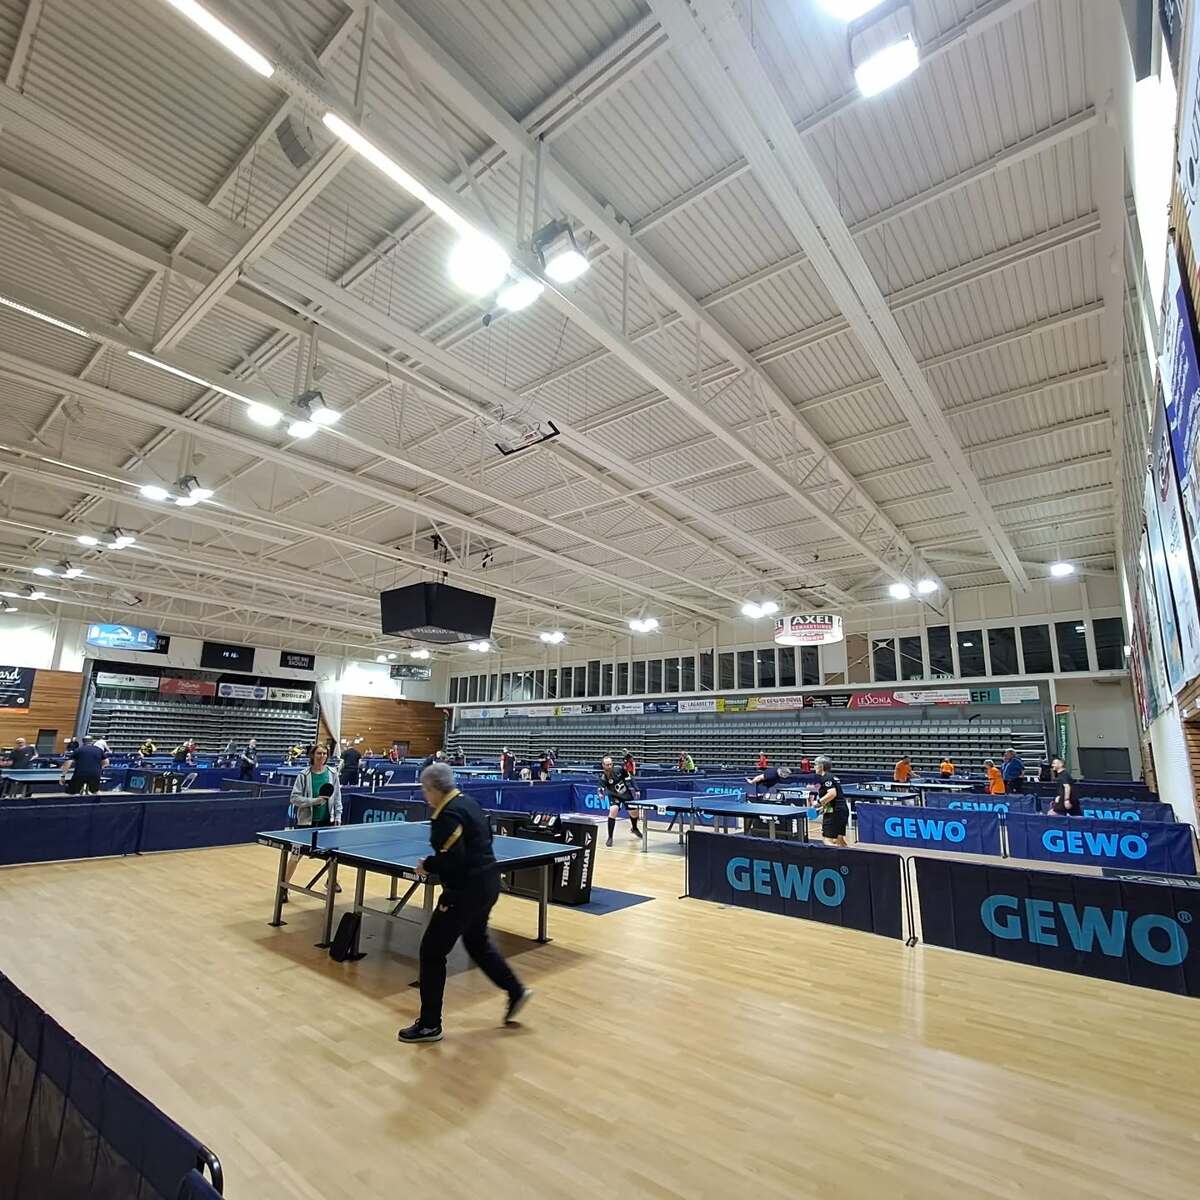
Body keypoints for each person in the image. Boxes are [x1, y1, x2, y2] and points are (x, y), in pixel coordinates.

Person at [397, 764, 530, 1043]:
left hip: (464, 891)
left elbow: (452, 860)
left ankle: (430, 1025)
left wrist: (427, 865)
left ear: (433, 789)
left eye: (425, 790)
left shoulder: (446, 815)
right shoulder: (469, 802)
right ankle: (515, 990)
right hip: (489, 883)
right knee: (476, 942)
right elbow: (487, 838)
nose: (424, 795)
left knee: (432, 952)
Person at [283, 744, 342, 889]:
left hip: (327, 821)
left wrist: (338, 816)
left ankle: (331, 881)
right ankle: (284, 885)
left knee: (331, 855)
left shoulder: (332, 773)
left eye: (324, 754)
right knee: (295, 856)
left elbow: (337, 797)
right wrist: (314, 801)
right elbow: (294, 798)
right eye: (319, 753)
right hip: (305, 823)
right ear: (312, 755)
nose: (322, 756)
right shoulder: (303, 775)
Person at [599, 755, 643, 847]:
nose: (609, 766)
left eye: (610, 764)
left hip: (626, 794)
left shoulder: (619, 769)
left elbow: (630, 777)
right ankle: (610, 837)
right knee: (613, 810)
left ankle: (634, 828)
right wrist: (601, 794)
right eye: (607, 765)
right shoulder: (604, 777)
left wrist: (636, 789)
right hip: (614, 796)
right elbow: (601, 788)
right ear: (603, 765)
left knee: (634, 813)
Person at [810, 756, 849, 847]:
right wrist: (823, 807)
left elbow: (832, 794)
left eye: (815, 765)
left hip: (834, 812)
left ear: (821, 766)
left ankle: (833, 858)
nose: (814, 767)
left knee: (827, 841)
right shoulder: (832, 776)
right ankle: (849, 855)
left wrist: (818, 803)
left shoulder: (826, 778)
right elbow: (834, 798)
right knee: (839, 841)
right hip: (841, 810)